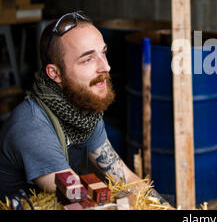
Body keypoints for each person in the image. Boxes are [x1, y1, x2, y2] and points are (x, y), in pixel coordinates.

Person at [0, 11, 166, 204]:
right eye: (87, 59)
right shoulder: (33, 126)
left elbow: (126, 179)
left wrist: (166, 208)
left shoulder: (83, 111)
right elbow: (79, 201)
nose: (106, 67)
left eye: (103, 53)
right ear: (55, 73)